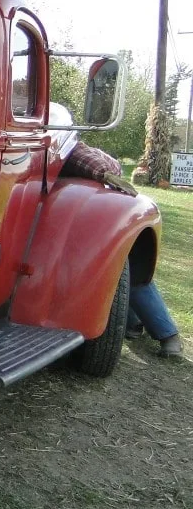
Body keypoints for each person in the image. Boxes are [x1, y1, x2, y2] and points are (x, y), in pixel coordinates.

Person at [60, 139, 182, 358]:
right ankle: (132, 325)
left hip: (107, 193)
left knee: (131, 273)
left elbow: (79, 155)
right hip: (84, 205)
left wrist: (105, 174)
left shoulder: (66, 144)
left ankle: (168, 335)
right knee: (115, 278)